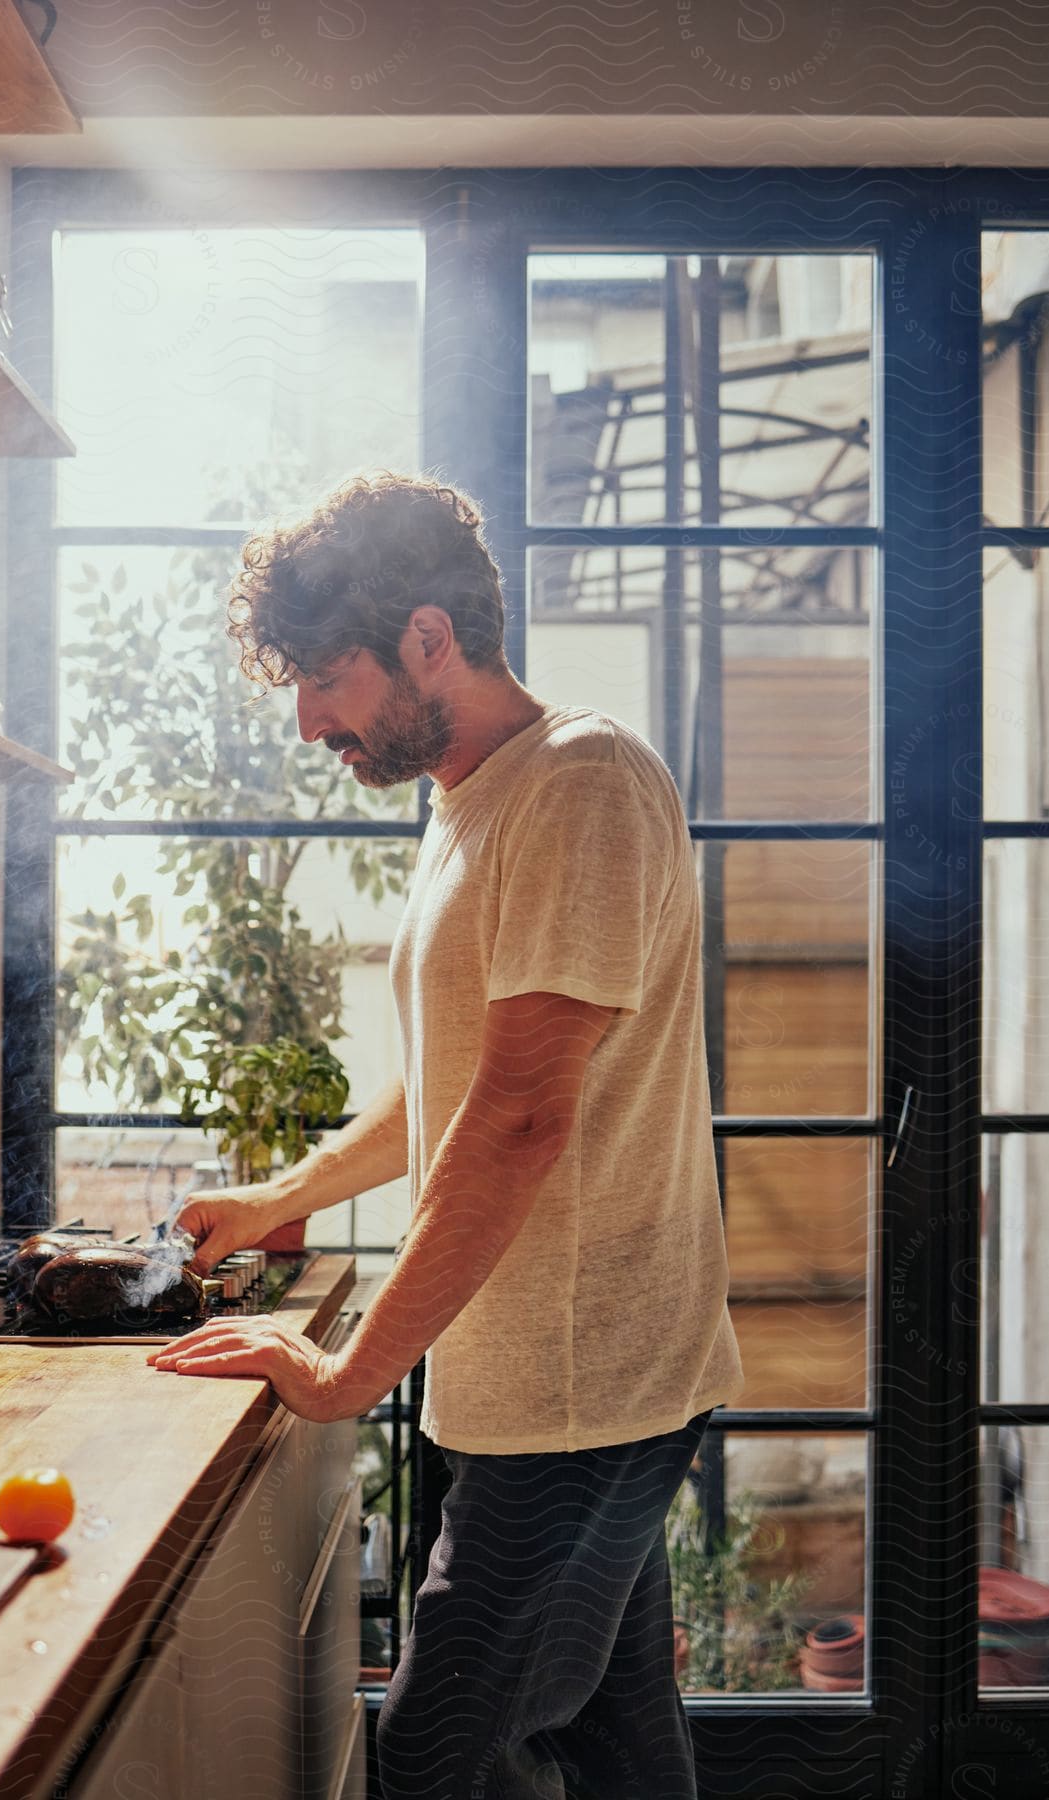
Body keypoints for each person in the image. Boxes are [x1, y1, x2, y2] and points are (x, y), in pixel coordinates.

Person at [148, 471, 745, 1799]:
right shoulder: (472, 801)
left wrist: (348, 1370)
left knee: (433, 1758)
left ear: (428, 636)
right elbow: (461, 1084)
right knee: (615, 1745)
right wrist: (281, 1192)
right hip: (564, 1379)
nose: (308, 720)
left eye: (325, 677)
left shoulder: (578, 782)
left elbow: (524, 1115)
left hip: (586, 1388)